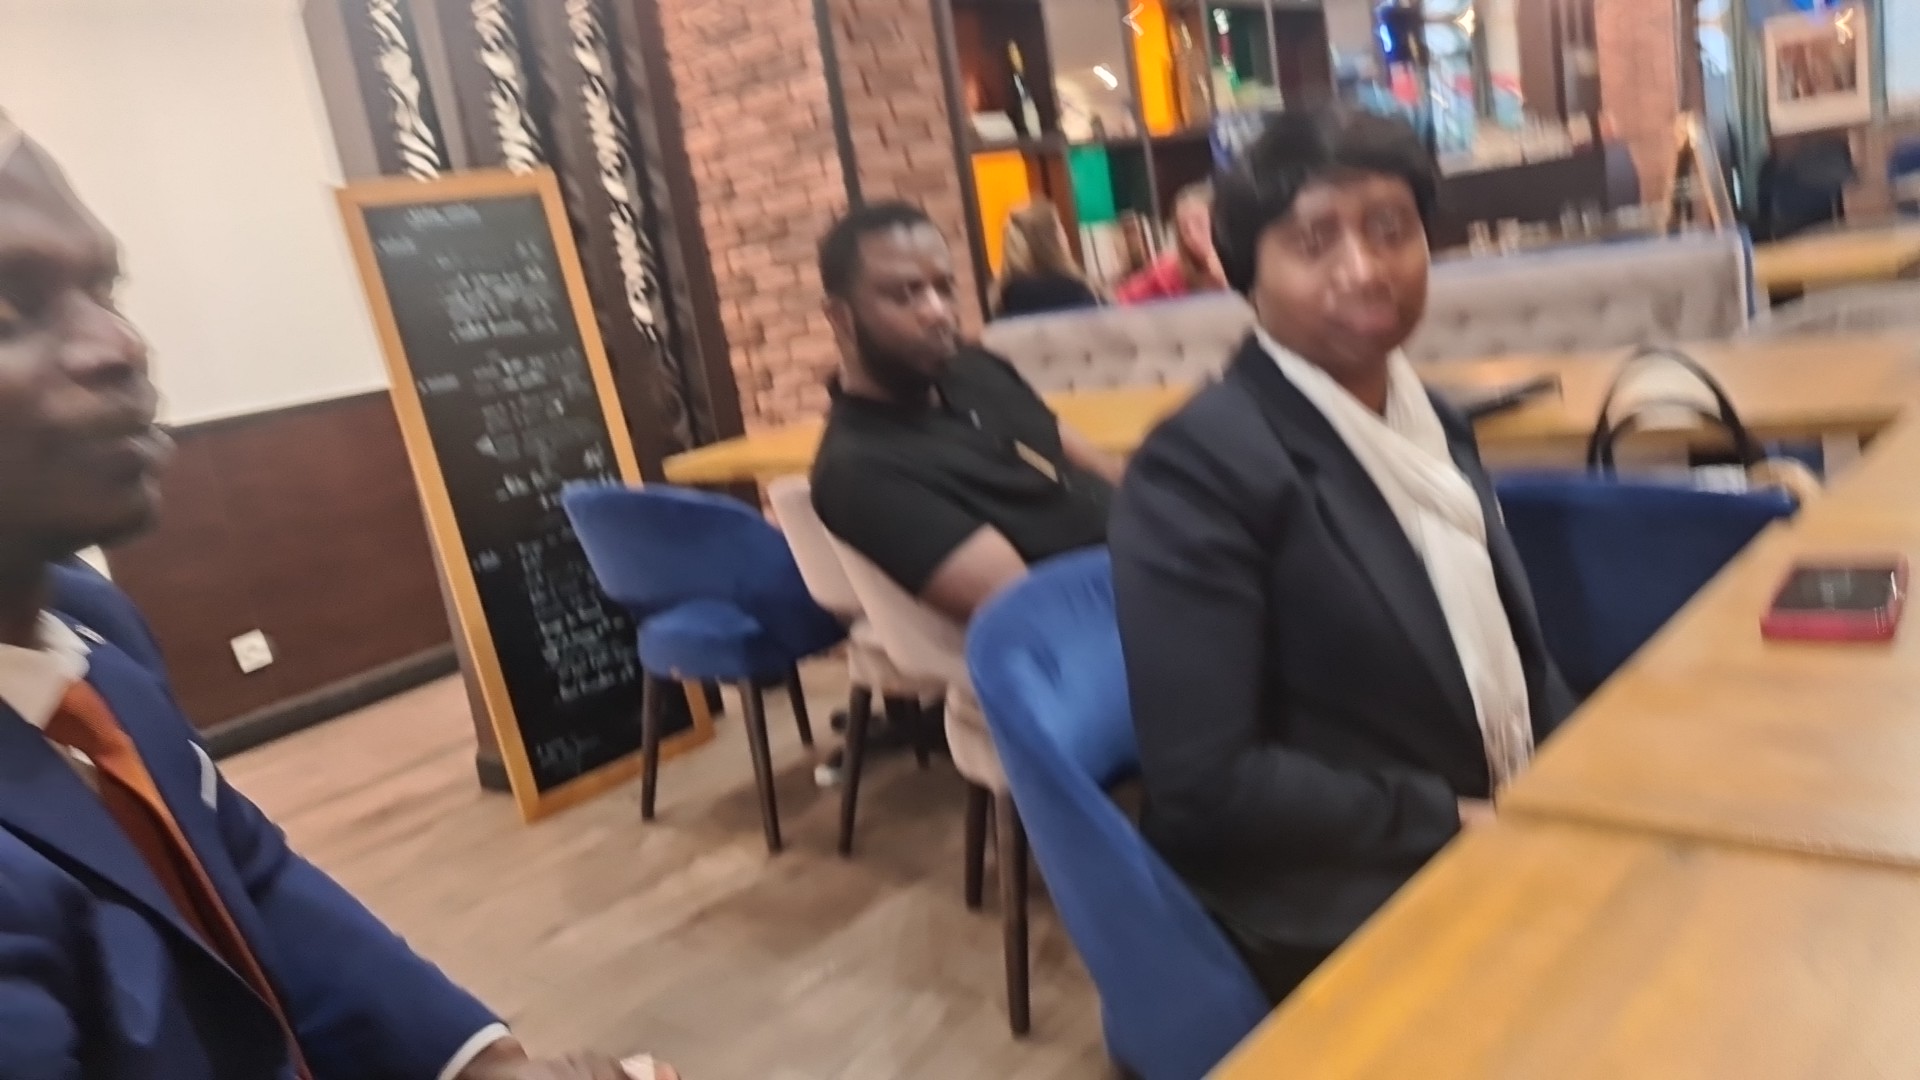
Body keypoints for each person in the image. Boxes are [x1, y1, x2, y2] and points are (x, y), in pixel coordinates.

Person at [0, 115, 674, 1080]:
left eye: (105, 289)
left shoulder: (94, 628)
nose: (121, 344)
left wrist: (481, 1065)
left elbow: (250, 877)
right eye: (10, 307)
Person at [1108, 109, 1574, 1004]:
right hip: (1333, 888)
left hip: (1494, 813)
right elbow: (1206, 783)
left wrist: (1584, 776)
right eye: (1313, 242)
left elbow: (1517, 658)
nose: (1363, 268)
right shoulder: (1196, 470)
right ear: (1245, 272)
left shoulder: (1430, 419)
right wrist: (1450, 821)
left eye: (1390, 229)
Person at [809, 201, 1120, 624]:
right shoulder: (858, 468)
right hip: (1114, 623)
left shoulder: (976, 369)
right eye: (906, 294)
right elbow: (1034, 611)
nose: (937, 312)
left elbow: (1101, 467)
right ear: (840, 317)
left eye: (945, 288)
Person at [1112, 182, 1225, 305]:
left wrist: (1220, 276)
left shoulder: (1238, 263)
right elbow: (1122, 300)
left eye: (1199, 224)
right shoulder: (1168, 269)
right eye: (1185, 229)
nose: (1192, 236)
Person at [990, 200, 1099, 320]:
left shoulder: (1002, 297)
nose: (1065, 237)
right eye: (1060, 228)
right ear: (1050, 241)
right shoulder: (1073, 290)